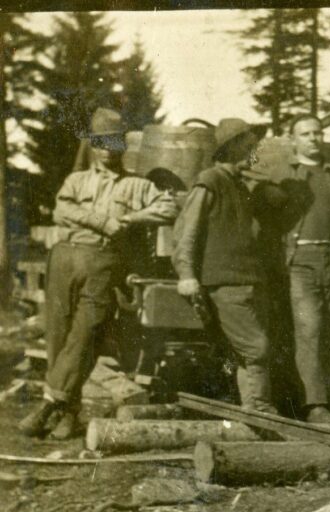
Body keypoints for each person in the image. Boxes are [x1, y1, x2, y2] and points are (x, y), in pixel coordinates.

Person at [19, 108, 178, 439]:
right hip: (64, 259)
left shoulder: (138, 185)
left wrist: (132, 219)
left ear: (122, 146)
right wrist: (103, 221)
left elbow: (169, 208)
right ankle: (69, 413)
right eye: (102, 143)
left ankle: (49, 404)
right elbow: (63, 210)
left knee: (85, 334)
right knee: (58, 338)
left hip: (103, 263)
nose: (109, 149)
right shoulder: (76, 181)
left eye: (115, 142)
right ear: (92, 145)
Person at [172, 118, 277, 414]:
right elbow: (186, 231)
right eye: (248, 144)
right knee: (256, 347)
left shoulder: (241, 185)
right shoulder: (211, 180)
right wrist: (187, 274)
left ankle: (254, 414)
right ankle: (262, 410)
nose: (253, 150)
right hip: (226, 283)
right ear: (230, 148)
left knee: (248, 353)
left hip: (249, 279)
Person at [274, 113, 330, 423]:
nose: (313, 139)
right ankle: (314, 405)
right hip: (302, 260)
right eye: (305, 134)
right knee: (310, 329)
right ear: (294, 140)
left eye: (317, 133)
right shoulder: (287, 174)